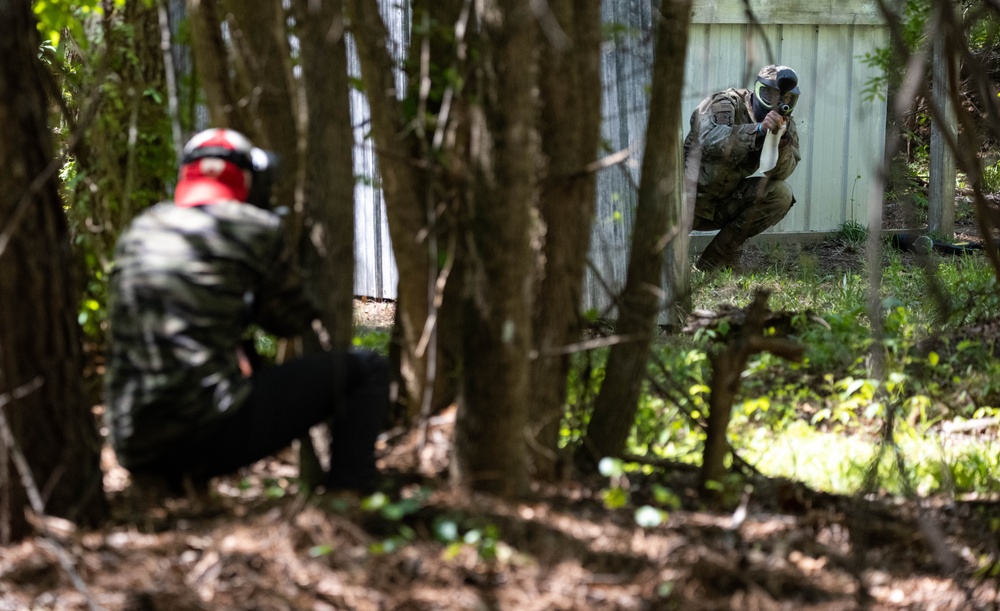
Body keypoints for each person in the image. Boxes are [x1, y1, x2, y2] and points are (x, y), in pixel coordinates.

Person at [104, 128, 388, 494]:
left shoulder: (140, 230)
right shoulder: (256, 227)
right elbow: (291, 320)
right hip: (206, 434)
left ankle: (171, 485)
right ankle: (352, 494)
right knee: (367, 369)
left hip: (131, 440)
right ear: (250, 179)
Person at [684, 64, 802, 270]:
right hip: (685, 199)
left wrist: (780, 142)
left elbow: (781, 172)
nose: (778, 103)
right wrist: (757, 130)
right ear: (757, 91)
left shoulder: (785, 125)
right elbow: (708, 139)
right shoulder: (724, 103)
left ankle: (713, 261)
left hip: (724, 203)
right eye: (770, 95)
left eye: (785, 99)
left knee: (780, 194)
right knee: (657, 260)